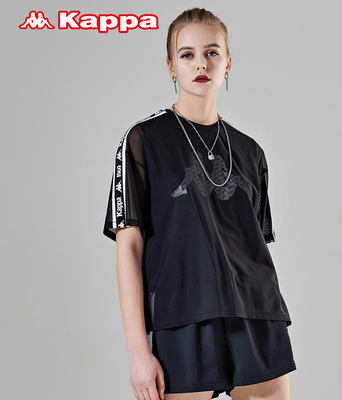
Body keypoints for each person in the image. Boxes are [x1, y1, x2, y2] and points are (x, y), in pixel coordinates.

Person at [103, 7, 297, 400]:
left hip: (255, 315)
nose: (200, 64)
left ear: (228, 63)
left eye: (212, 52)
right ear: (171, 67)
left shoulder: (251, 151)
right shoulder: (143, 140)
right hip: (182, 315)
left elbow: (254, 248)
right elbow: (129, 247)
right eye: (187, 54)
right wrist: (138, 351)